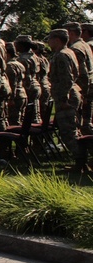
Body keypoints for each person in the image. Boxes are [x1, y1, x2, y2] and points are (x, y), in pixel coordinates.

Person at [46, 28, 84, 169]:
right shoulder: (68, 52)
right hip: (72, 94)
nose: (48, 43)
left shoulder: (62, 55)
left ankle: (80, 161)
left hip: (67, 97)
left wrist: (63, 99)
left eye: (50, 39)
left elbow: (66, 79)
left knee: (68, 131)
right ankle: (81, 161)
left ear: (56, 39)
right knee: (73, 129)